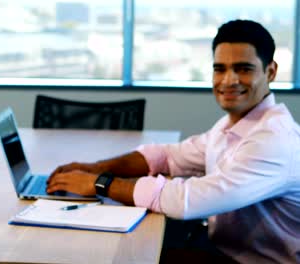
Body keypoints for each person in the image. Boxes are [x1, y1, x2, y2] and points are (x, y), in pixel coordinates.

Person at [47, 19, 300, 264]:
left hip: (246, 259)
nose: (228, 80)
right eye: (219, 68)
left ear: (271, 71)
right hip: (222, 246)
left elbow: (185, 200)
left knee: (122, 257)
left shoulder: (273, 141)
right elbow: (167, 157)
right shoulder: (232, 125)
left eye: (243, 69)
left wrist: (99, 184)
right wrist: (95, 169)